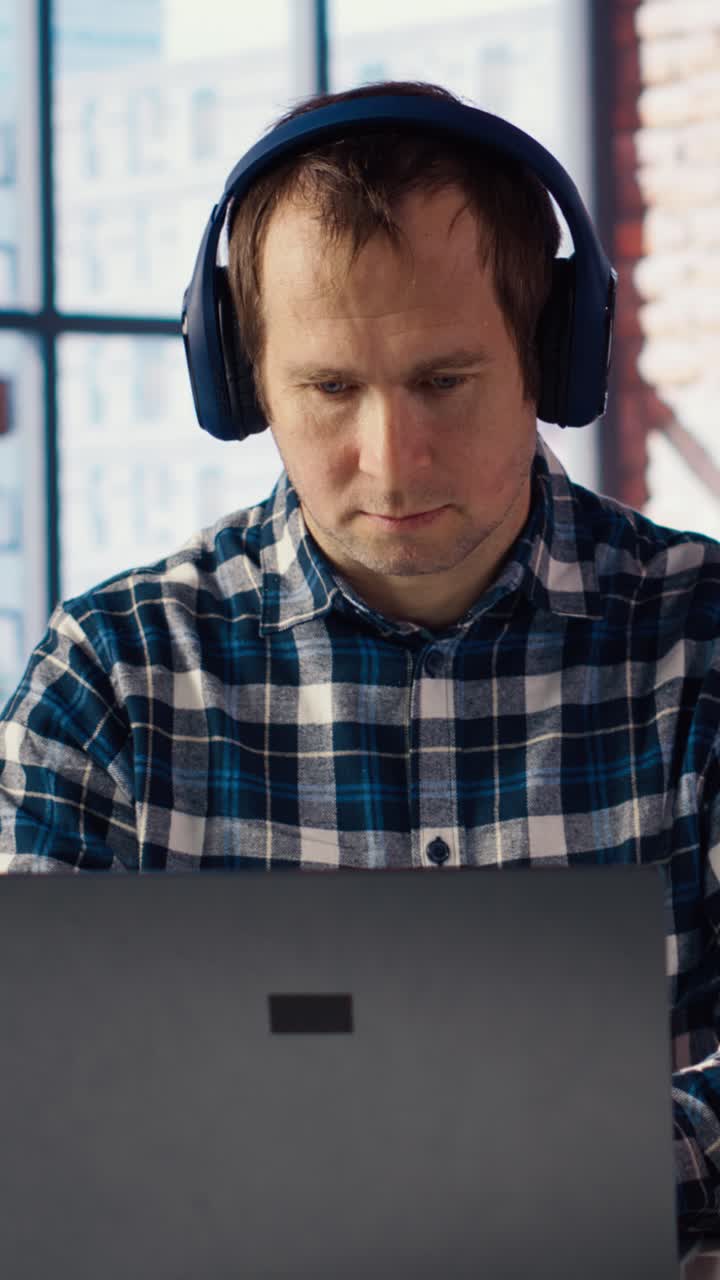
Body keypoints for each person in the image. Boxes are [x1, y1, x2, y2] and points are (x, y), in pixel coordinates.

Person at [0, 79, 719, 1230]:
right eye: (331, 388)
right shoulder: (109, 684)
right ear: (245, 382)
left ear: (551, 355)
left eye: (444, 381)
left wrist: (485, 1181)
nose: (391, 460)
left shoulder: (703, 642)